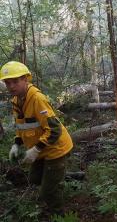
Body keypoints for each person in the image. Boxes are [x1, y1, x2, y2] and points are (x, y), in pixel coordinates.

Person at [1, 61, 73, 215]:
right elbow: (22, 127)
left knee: (48, 192)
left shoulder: (37, 99)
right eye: (8, 83)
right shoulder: (16, 101)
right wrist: (16, 144)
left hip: (55, 149)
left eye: (15, 81)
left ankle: (60, 216)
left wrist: (35, 150)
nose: (11, 86)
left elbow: (54, 130)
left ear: (26, 80)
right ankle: (61, 177)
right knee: (34, 179)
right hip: (41, 150)